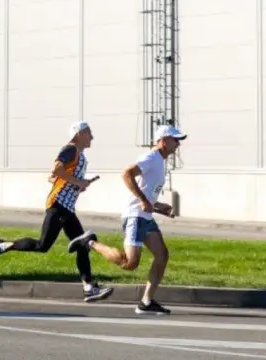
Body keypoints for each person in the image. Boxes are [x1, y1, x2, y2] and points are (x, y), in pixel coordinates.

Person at [0, 120, 113, 303]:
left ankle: (89, 287)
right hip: (58, 204)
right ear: (79, 134)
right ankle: (0, 246)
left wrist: (77, 185)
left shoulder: (79, 154)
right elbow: (55, 169)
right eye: (89, 133)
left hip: (67, 207)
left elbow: (52, 178)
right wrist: (77, 182)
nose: (92, 137)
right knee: (42, 246)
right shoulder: (71, 149)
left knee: (84, 243)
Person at [69, 123, 187, 315]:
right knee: (129, 263)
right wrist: (142, 200)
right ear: (163, 140)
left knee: (162, 255)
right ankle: (89, 242)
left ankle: (146, 302)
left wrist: (158, 207)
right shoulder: (151, 157)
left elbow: (146, 193)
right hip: (135, 217)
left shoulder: (160, 161)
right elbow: (126, 174)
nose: (178, 144)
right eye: (175, 140)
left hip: (146, 217)